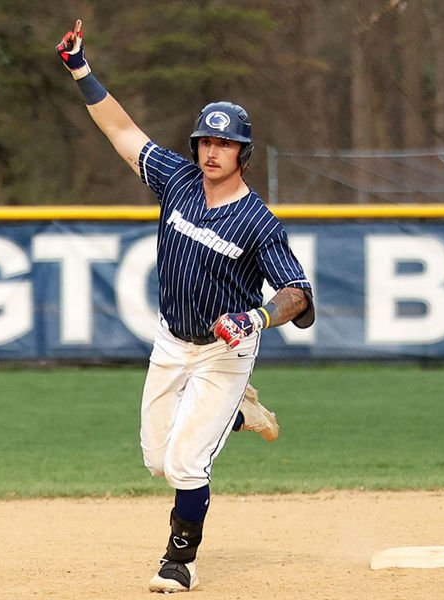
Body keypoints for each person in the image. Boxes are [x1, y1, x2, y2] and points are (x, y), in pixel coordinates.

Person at [56, 20, 314, 593]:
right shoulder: (177, 180)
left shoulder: (258, 222)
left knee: (187, 465)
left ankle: (179, 561)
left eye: (224, 143)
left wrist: (256, 318)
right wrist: (80, 68)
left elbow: (298, 294)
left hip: (226, 350)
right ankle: (241, 415)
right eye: (205, 141)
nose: (212, 151)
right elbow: (121, 131)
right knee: (156, 459)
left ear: (243, 153)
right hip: (173, 340)